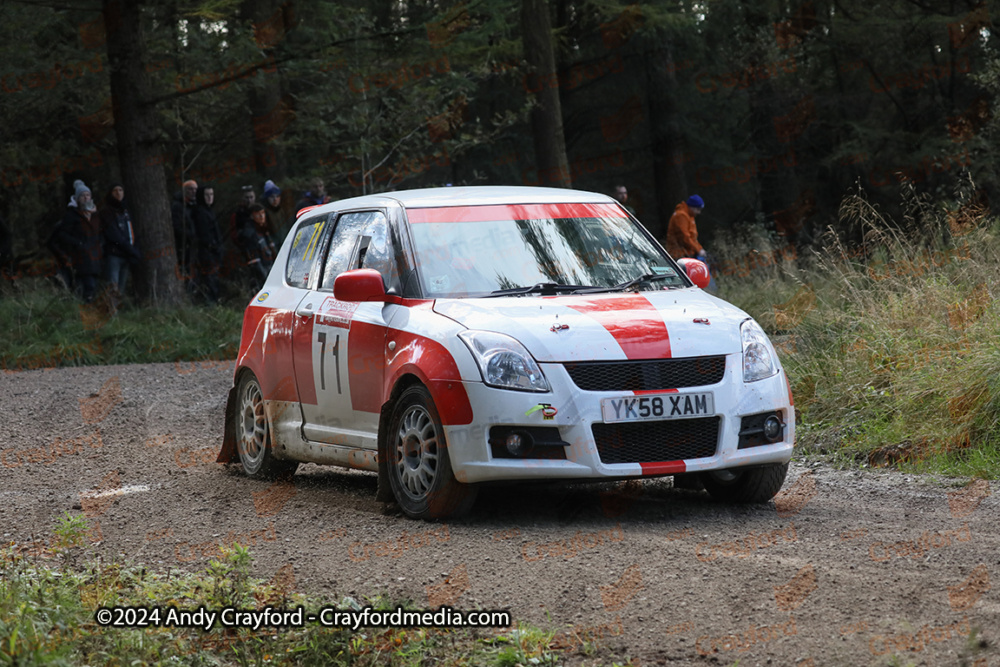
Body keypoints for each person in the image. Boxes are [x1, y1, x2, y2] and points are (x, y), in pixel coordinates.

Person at [53, 179, 103, 302]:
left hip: (95, 258)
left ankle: (85, 313)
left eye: (88, 195)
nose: (86, 198)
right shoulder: (72, 215)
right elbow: (63, 235)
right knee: (86, 287)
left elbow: (100, 233)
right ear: (77, 199)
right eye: (82, 196)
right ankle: (84, 313)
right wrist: (79, 244)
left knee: (92, 287)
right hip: (80, 257)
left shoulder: (95, 215)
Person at [99, 183, 141, 308]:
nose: (118, 193)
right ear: (110, 193)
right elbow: (114, 235)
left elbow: (133, 231)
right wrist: (132, 250)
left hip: (126, 255)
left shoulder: (127, 211)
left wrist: (134, 250)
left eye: (121, 190)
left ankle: (116, 315)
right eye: (115, 190)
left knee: (120, 289)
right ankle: (110, 314)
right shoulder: (107, 212)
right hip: (114, 255)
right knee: (112, 287)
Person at [192, 184, 223, 304]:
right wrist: (213, 247)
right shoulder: (200, 212)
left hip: (214, 251)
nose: (210, 197)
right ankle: (211, 304)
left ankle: (214, 302)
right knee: (209, 280)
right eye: (207, 195)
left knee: (213, 279)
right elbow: (204, 235)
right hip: (207, 252)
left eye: (211, 194)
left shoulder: (209, 211)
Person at [238, 203, 277, 290]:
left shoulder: (263, 229)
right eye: (258, 214)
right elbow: (254, 259)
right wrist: (264, 276)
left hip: (269, 267)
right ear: (252, 216)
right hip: (261, 273)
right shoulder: (249, 233)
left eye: (263, 213)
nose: (261, 216)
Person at [171, 179, 198, 281]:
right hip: (183, 246)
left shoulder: (195, 205)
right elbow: (176, 226)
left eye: (195, 189)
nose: (193, 192)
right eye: (190, 189)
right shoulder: (178, 206)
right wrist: (189, 235)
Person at [666, 194, 706, 261]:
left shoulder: (690, 216)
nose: (699, 212)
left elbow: (692, 237)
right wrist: (698, 250)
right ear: (692, 207)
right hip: (679, 255)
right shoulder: (681, 216)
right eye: (698, 209)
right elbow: (685, 237)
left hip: (688, 254)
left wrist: (700, 249)